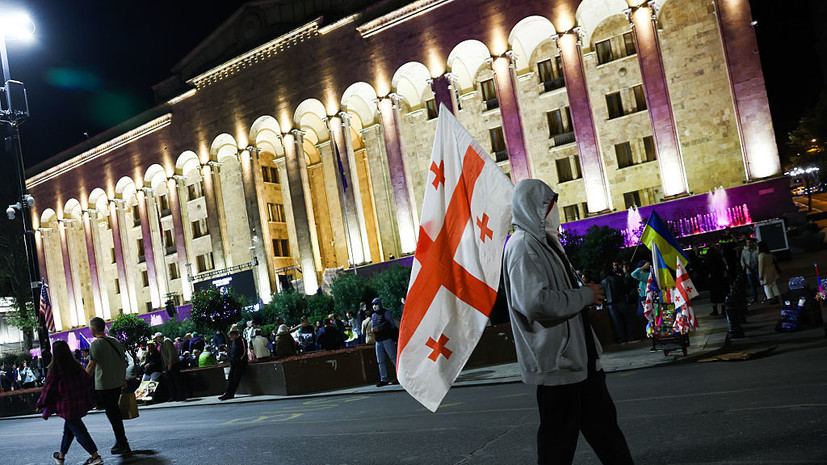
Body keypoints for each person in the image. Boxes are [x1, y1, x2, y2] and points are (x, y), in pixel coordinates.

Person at [502, 179, 633, 465]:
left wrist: (581, 293)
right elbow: (535, 303)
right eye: (549, 206)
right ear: (534, 209)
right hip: (557, 365)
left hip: (581, 362)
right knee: (557, 443)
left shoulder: (546, 244)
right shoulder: (523, 247)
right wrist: (584, 295)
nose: (554, 212)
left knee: (605, 432)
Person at [36, 340, 103, 465]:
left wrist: (40, 404)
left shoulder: (55, 371)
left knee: (80, 431)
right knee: (69, 430)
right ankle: (61, 456)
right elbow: (86, 380)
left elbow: (48, 390)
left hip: (67, 407)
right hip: (79, 403)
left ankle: (95, 456)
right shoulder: (76, 366)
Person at [86, 317, 130, 455]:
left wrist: (83, 380)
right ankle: (121, 440)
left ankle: (122, 442)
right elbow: (123, 362)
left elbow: (91, 365)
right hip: (116, 382)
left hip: (104, 384)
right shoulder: (114, 341)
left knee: (112, 414)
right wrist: (123, 378)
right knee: (114, 412)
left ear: (93, 328)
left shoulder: (96, 344)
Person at [600, 262, 635, 344]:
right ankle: (631, 337)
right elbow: (624, 289)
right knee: (628, 319)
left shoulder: (603, 282)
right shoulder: (616, 278)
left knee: (617, 323)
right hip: (620, 301)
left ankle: (621, 339)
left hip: (610, 304)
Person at [371, 298, 398, 387]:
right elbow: (373, 326)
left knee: (393, 358)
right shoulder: (373, 315)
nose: (374, 306)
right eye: (373, 304)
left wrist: (381, 328)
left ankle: (399, 376)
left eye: (376, 304)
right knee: (380, 361)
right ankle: (383, 379)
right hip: (378, 340)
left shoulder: (386, 313)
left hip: (387, 339)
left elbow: (392, 325)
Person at [153, 332, 185, 402]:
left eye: (156, 338)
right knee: (170, 381)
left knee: (176, 380)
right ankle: (173, 395)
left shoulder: (166, 341)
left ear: (159, 337)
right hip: (168, 364)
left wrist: (170, 363)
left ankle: (180, 395)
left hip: (173, 364)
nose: (156, 340)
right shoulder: (161, 344)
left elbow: (171, 353)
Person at [218, 326, 248, 400]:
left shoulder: (242, 340)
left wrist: (240, 359)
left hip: (239, 363)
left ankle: (230, 393)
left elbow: (244, 351)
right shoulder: (234, 341)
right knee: (230, 378)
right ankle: (228, 393)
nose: (231, 338)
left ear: (235, 334)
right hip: (234, 362)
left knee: (235, 378)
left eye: (231, 336)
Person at [704, 243, 728, 316]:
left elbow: (705, 269)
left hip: (712, 280)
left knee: (713, 295)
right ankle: (723, 310)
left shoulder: (708, 260)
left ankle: (715, 311)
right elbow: (723, 267)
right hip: (720, 278)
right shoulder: (718, 258)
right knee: (721, 294)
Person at [740, 237, 761, 303]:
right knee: (752, 285)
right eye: (747, 243)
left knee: (761, 283)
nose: (748, 244)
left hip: (756, 269)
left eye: (749, 242)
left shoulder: (757, 250)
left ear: (752, 243)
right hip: (749, 270)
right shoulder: (744, 251)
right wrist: (743, 265)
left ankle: (766, 296)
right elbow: (742, 259)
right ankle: (755, 298)